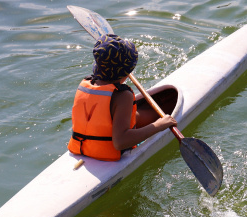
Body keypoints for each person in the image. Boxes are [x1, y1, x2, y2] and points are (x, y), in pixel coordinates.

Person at [68, 34, 178, 162]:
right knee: (146, 117)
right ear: (126, 72)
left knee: (135, 115)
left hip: (81, 148)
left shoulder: (86, 84)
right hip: (108, 155)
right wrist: (159, 125)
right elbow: (120, 142)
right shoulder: (122, 96)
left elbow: (103, 117)